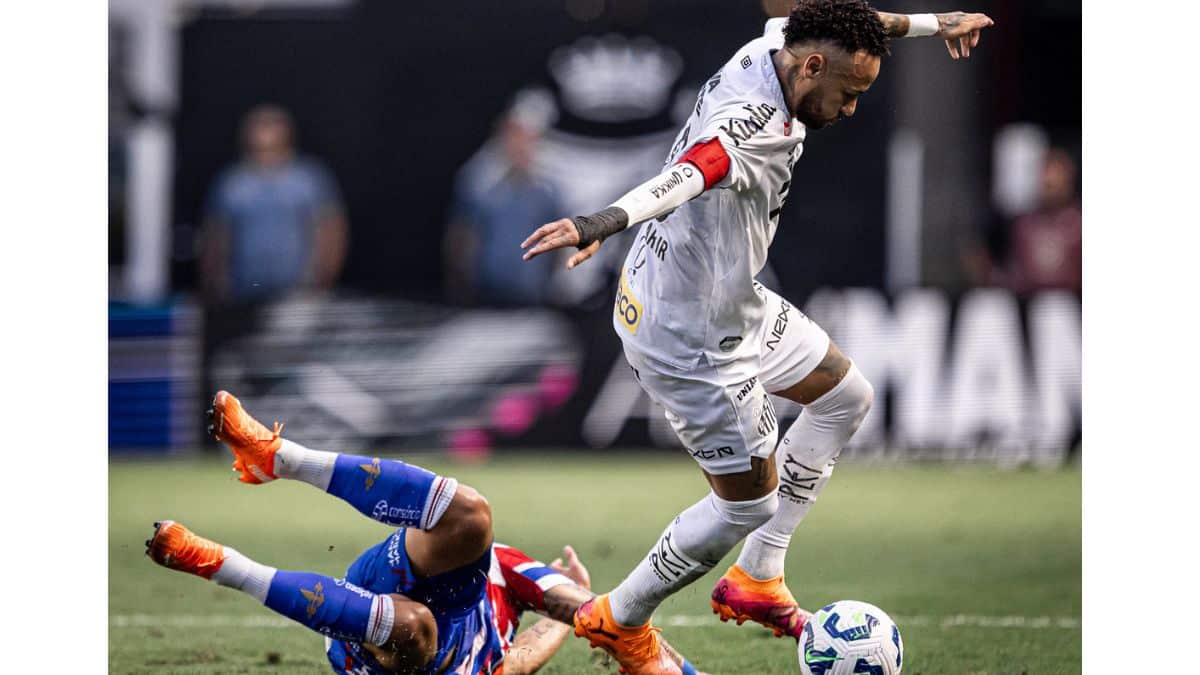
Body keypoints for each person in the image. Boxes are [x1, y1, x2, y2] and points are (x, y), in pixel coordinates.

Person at [520, 1, 993, 670]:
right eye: (849, 92)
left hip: (724, 297)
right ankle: (619, 617)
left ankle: (759, 575)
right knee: (747, 505)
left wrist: (934, 24)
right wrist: (601, 221)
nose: (852, 107)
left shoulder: (781, 42)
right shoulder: (751, 125)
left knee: (846, 397)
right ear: (814, 67)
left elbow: (859, 21)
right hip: (689, 333)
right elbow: (689, 173)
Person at [147, 391, 701, 675]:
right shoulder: (508, 570)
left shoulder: (492, 657)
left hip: (392, 656)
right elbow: (587, 611)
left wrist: (564, 626)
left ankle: (220, 565)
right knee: (473, 516)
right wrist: (632, 639)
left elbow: (524, 657)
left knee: (416, 627)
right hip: (391, 576)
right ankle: (279, 458)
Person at [200, 105, 348, 306]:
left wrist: (325, 278)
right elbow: (215, 235)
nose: (265, 130)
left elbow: (332, 230)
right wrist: (214, 282)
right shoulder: (232, 182)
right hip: (243, 291)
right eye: (260, 124)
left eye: (271, 123)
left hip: (300, 291)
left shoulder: (308, 178)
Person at [443, 95, 563, 306]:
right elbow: (461, 236)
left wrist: (553, 288)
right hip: (484, 296)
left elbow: (560, 243)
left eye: (530, 138)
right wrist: (460, 286)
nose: (522, 144)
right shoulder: (479, 180)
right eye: (517, 134)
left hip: (532, 298)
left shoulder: (549, 188)